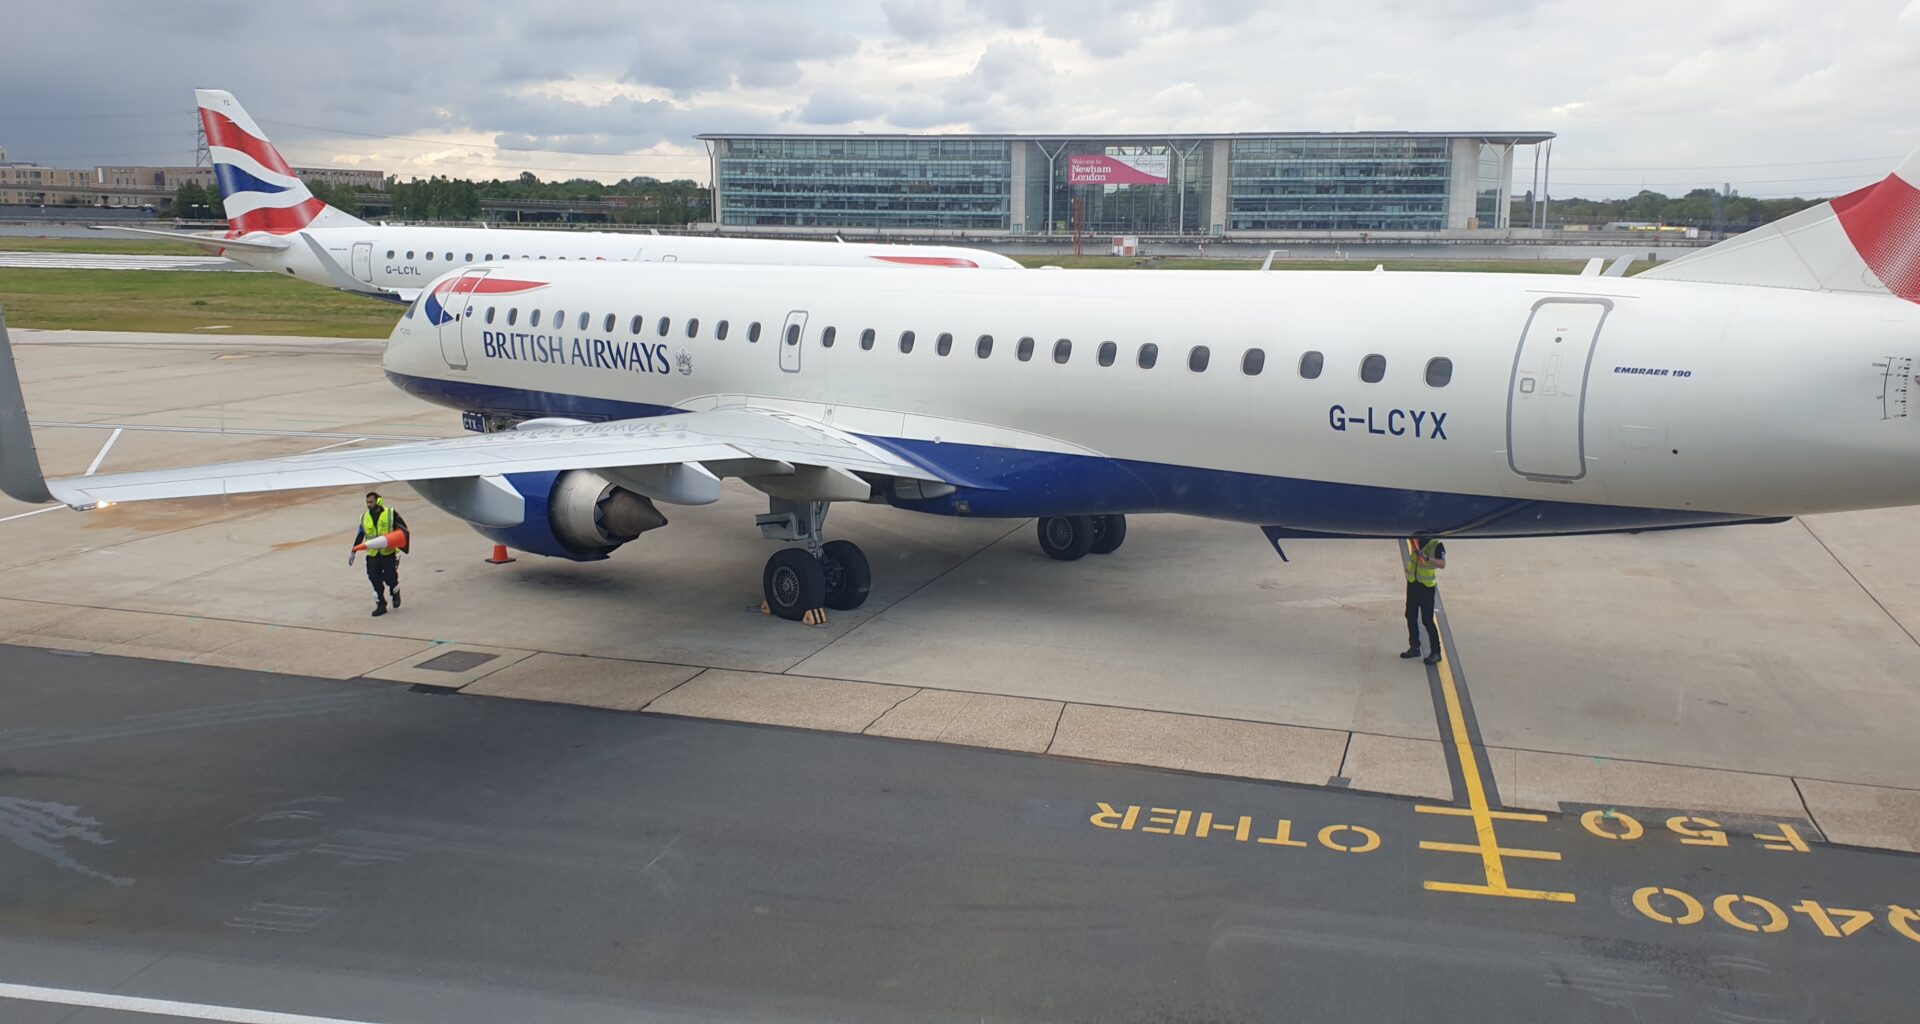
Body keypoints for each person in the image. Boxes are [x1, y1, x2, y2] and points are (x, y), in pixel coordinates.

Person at [353, 491, 409, 616]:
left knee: (391, 577)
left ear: (378, 501)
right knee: (374, 578)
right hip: (373, 554)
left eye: (371, 502)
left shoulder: (390, 514)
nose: (369, 505)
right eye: (367, 502)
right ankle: (381, 604)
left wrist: (401, 546)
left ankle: (395, 593)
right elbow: (361, 533)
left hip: (387, 553)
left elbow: (403, 530)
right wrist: (354, 549)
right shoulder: (364, 517)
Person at [1400, 536, 1446, 665]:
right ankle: (1414, 646)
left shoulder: (1435, 544)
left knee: (1427, 620)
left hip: (1426, 587)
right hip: (1413, 582)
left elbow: (1442, 564)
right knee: (1410, 615)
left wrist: (1426, 558)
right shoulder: (1415, 539)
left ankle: (1436, 652)